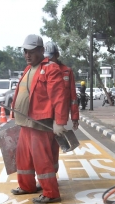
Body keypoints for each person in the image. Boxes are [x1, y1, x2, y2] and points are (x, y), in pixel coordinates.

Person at [10, 34, 70, 204]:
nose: (27, 55)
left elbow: (59, 97)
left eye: (31, 51)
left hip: (40, 122)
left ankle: (51, 192)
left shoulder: (50, 68)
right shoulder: (28, 69)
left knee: (41, 159)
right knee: (23, 157)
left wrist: (59, 121)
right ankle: (27, 186)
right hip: (25, 122)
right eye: (25, 51)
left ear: (41, 51)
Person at [43, 41, 80, 171]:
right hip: (44, 117)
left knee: (55, 147)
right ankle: (45, 178)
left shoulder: (67, 72)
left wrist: (75, 118)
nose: (48, 60)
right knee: (42, 148)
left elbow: (72, 97)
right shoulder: (41, 70)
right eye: (45, 57)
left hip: (59, 117)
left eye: (50, 57)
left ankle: (52, 176)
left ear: (57, 55)